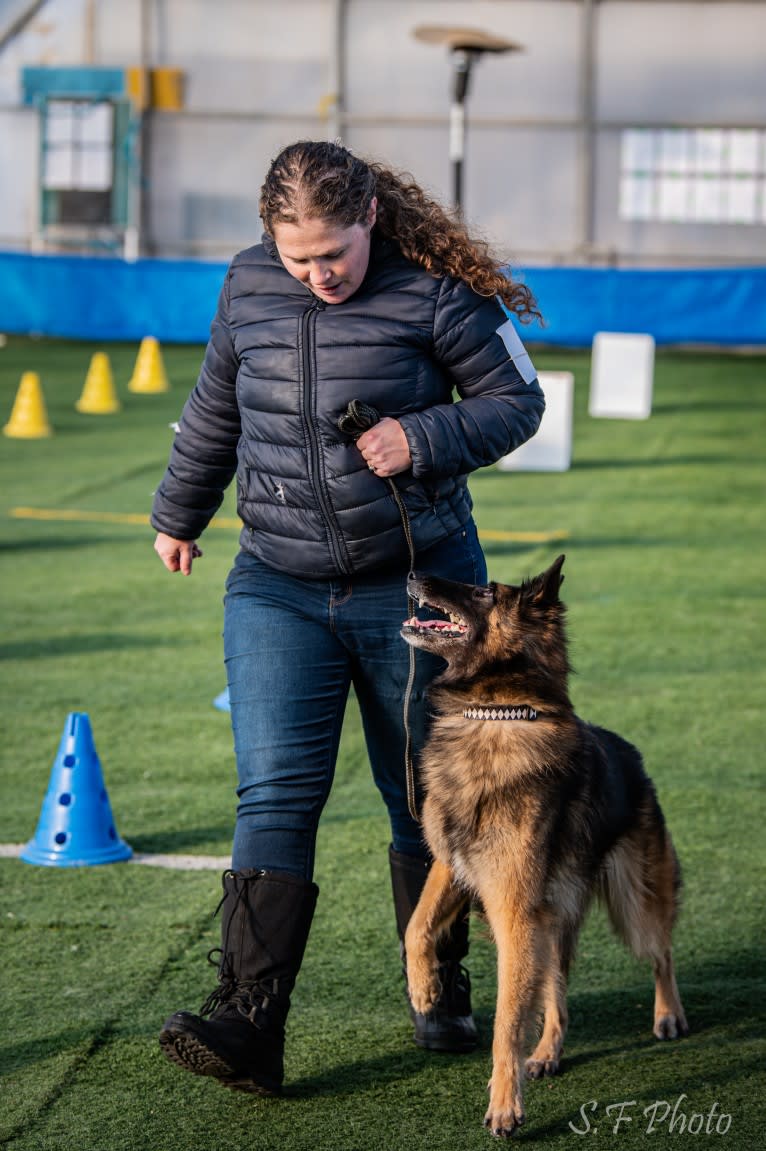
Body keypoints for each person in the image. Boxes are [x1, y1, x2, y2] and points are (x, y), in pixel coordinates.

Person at [152, 139, 545, 1095]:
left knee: (424, 801)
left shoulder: (438, 291)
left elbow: (516, 400)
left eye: (333, 252)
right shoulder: (246, 287)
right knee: (275, 795)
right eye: (299, 258)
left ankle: (441, 982)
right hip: (276, 584)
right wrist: (179, 510)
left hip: (419, 590)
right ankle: (249, 1025)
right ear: (269, 242)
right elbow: (217, 404)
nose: (318, 274)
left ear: (369, 215)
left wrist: (422, 434)